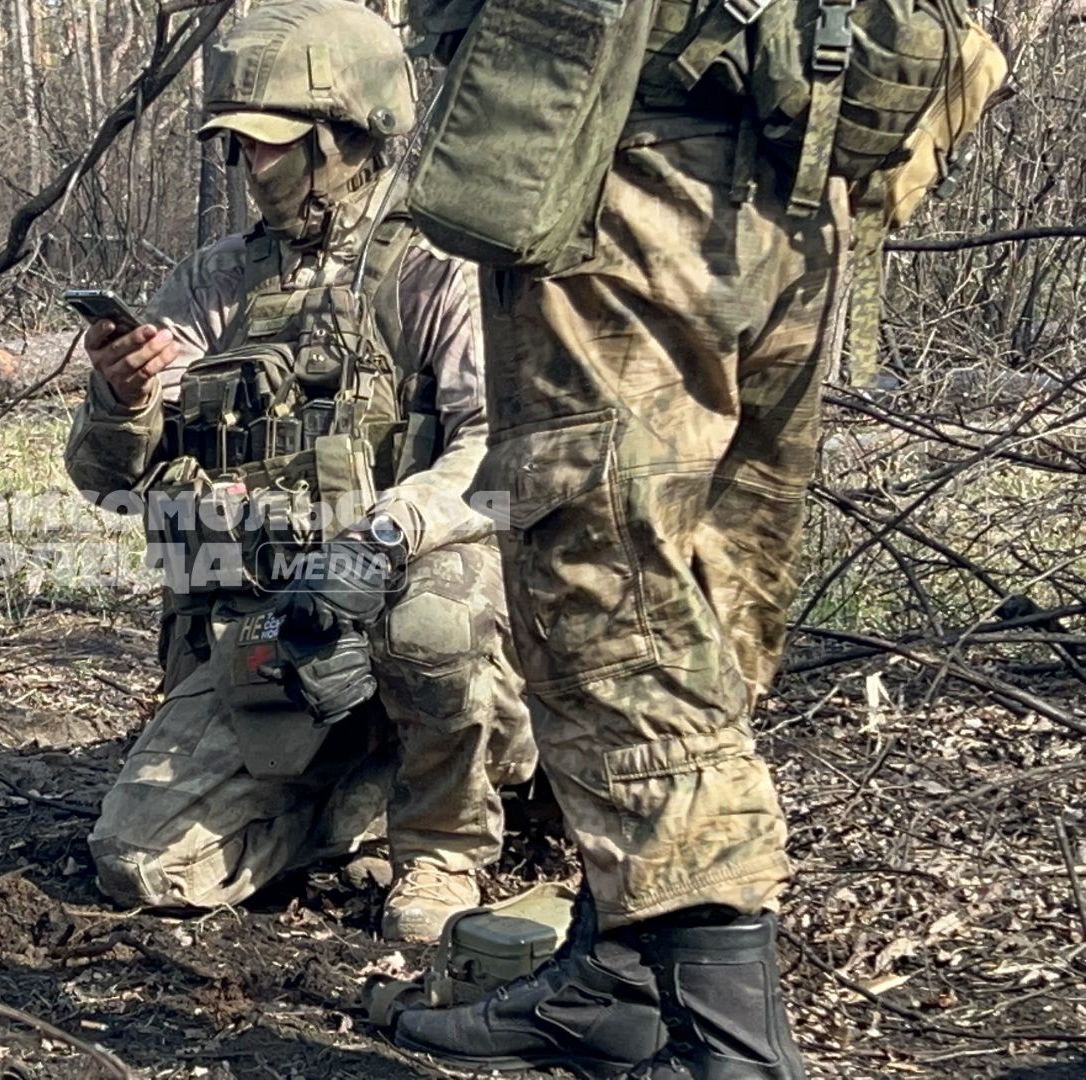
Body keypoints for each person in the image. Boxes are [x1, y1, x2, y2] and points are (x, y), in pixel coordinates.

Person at [390, 0, 850, 1074]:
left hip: (627, 149)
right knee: (704, 582)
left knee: (607, 594)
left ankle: (725, 1052)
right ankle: (627, 973)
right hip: (797, 151)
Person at [63, 0, 534, 943]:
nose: (251, 166)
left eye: (272, 143)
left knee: (433, 620)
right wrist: (122, 400)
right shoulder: (213, 282)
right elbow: (109, 482)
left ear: (348, 134)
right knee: (143, 866)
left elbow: (498, 452)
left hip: (412, 582)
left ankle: (442, 845)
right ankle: (357, 790)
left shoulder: (436, 264)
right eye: (238, 145)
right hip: (275, 622)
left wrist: (386, 534)